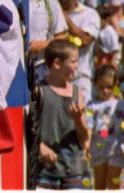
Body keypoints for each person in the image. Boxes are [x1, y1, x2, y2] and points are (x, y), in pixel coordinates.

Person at [35, 39, 90, 190]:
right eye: (73, 62)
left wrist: (78, 120)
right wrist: (40, 147)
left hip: (72, 168)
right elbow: (28, 129)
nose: (77, 66)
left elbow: (84, 137)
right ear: (57, 63)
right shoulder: (40, 91)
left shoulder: (77, 92)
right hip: (44, 170)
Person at [54, 0, 99, 101]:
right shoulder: (49, 15)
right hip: (53, 83)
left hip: (79, 82)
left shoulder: (89, 15)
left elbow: (85, 40)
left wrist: (62, 15)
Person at [86, 65, 124, 190]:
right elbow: (89, 126)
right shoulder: (92, 106)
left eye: (109, 87)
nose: (105, 91)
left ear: (116, 85)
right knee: (99, 184)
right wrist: (86, 145)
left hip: (116, 149)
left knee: (114, 182)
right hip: (98, 149)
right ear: (95, 85)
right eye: (101, 87)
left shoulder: (121, 104)